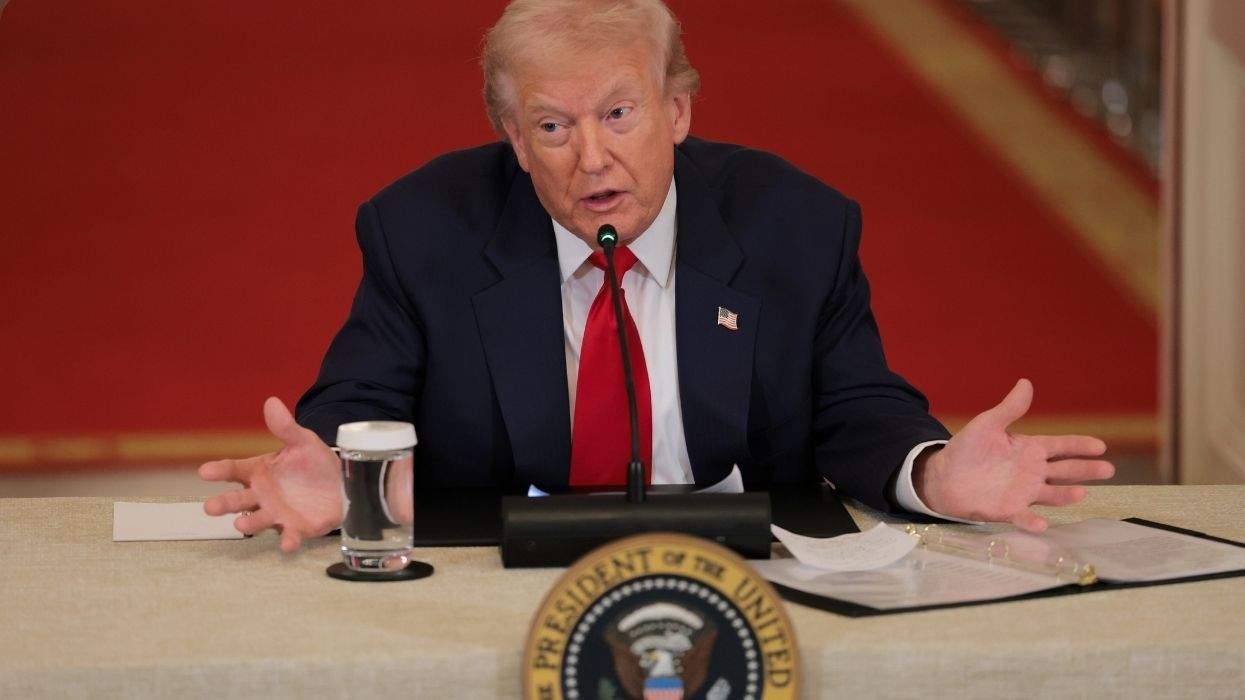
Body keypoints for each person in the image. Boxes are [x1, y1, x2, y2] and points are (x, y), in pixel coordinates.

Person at [200, 0, 1114, 553]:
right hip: (498, 574)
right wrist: (342, 479)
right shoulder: (423, 229)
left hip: (741, 574)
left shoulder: (795, 225)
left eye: (619, 113)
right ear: (514, 140)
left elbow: (856, 408)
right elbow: (358, 403)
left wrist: (933, 475)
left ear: (676, 111)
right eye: (552, 127)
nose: (591, 158)